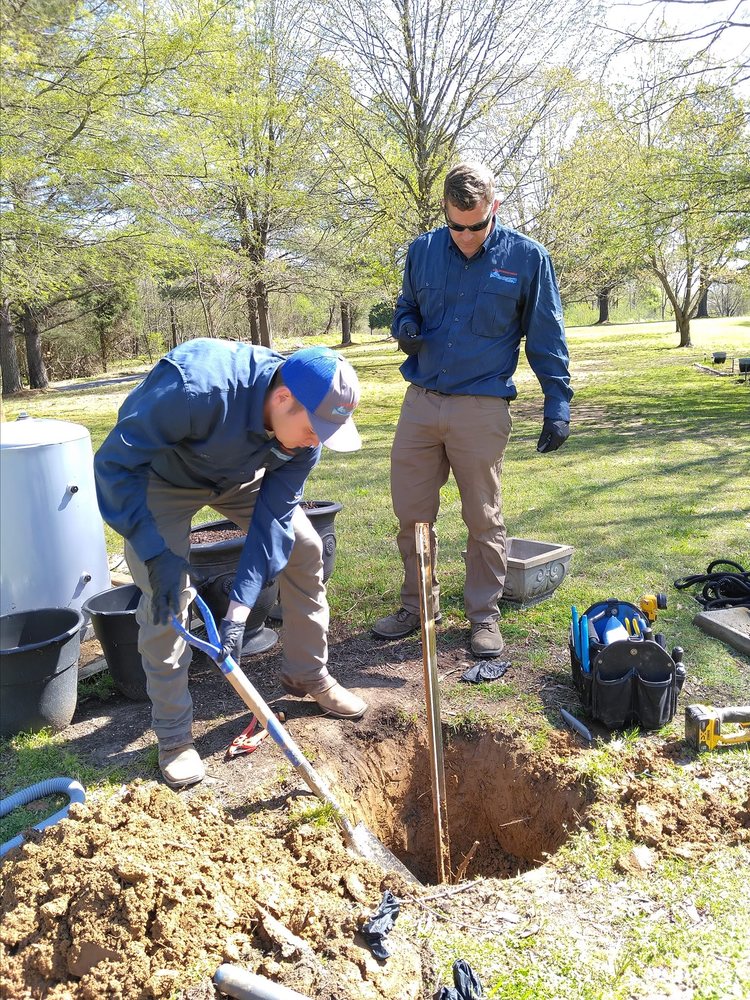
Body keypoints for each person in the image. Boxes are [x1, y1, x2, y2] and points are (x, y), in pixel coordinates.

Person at [94, 339, 367, 789]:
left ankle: (308, 672)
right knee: (168, 596)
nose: (317, 440)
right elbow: (113, 466)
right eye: (314, 428)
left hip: (242, 474)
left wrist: (238, 612)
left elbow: (272, 523)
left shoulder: (302, 436)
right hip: (165, 480)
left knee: (305, 547)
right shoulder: (193, 388)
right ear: (283, 399)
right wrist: (155, 552)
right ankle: (175, 737)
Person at [372, 161, 572, 657]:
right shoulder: (421, 251)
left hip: (481, 406)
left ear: (495, 209)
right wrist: (405, 327)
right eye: (456, 226)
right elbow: (407, 306)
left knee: (483, 518)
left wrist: (558, 402)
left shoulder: (528, 258)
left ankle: (483, 615)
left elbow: (546, 334)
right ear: (444, 212)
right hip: (421, 403)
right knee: (412, 514)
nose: (465, 236)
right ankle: (418, 605)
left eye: (477, 225)